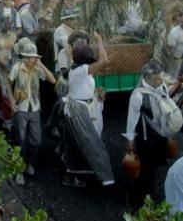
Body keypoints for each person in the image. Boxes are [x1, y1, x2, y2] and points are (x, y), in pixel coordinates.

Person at [123, 60, 182, 202]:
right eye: (157, 77)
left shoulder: (161, 86)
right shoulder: (138, 95)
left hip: (160, 135)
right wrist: (130, 140)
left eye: (160, 76)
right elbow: (132, 119)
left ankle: (147, 191)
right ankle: (140, 197)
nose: (160, 79)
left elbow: (167, 96)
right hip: (146, 138)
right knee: (146, 168)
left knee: (154, 165)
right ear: (147, 78)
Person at [61, 33, 114, 188]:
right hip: (77, 110)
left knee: (78, 143)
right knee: (89, 142)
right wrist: (99, 41)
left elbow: (84, 86)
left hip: (81, 107)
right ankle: (92, 174)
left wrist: (96, 93)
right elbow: (105, 61)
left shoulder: (79, 70)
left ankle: (74, 174)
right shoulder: (80, 70)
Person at [10, 38, 55, 184]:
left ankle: (28, 162)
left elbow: (52, 80)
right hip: (21, 109)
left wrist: (41, 64)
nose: (30, 60)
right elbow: (7, 83)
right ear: (23, 57)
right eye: (28, 57)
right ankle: (18, 170)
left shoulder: (37, 69)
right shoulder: (17, 67)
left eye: (33, 57)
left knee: (36, 142)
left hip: (34, 109)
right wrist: (11, 101)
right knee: (20, 141)